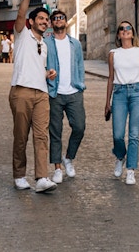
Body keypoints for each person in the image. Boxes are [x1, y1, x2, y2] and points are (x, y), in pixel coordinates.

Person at [8, 0, 57, 193]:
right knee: (21, 136)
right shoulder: (22, 35)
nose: (45, 22)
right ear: (31, 22)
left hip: (41, 94)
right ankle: (19, 175)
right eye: (41, 19)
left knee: (41, 135)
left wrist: (47, 73)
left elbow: (36, 66)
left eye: (47, 20)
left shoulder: (44, 45)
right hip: (21, 91)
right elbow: (20, 14)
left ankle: (42, 178)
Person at [104, 21, 139, 185]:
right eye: (121, 29)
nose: (125, 31)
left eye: (128, 28)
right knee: (117, 134)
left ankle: (131, 170)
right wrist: (107, 102)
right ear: (118, 34)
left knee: (134, 134)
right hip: (119, 93)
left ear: (133, 33)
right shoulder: (113, 53)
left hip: (138, 93)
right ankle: (120, 156)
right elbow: (111, 78)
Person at [46, 10, 86, 183]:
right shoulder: (46, 43)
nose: (58, 20)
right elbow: (40, 63)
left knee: (79, 127)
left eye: (61, 18)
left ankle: (68, 157)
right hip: (54, 92)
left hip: (74, 92)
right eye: (55, 18)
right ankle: (57, 168)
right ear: (51, 23)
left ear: (66, 22)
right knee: (55, 132)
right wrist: (46, 74)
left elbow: (80, 65)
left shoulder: (75, 44)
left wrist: (80, 84)